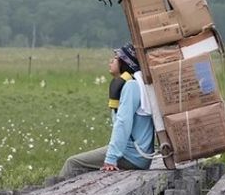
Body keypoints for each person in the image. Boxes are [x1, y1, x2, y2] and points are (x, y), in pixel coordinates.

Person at [60, 43, 155, 176]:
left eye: (116, 58)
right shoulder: (136, 84)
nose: (111, 61)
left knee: (72, 163)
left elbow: (123, 123)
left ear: (125, 63)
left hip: (132, 156)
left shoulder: (131, 87)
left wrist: (111, 158)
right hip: (138, 155)